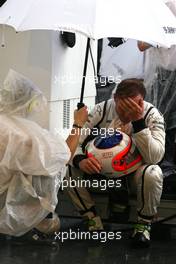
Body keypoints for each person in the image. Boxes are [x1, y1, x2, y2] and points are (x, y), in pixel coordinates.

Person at [66, 78, 165, 247]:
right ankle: (92, 221)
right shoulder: (101, 109)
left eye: (130, 108)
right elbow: (74, 144)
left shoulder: (152, 114)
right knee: (67, 169)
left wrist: (139, 122)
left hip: (134, 173)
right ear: (115, 98)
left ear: (140, 102)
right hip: (101, 170)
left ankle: (143, 225)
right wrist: (80, 160)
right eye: (121, 107)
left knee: (153, 172)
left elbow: (155, 157)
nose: (126, 114)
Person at [0, 69, 88, 243]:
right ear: (30, 104)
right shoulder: (23, 135)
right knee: (48, 172)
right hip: (4, 201)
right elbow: (64, 156)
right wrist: (78, 124)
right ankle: (43, 221)